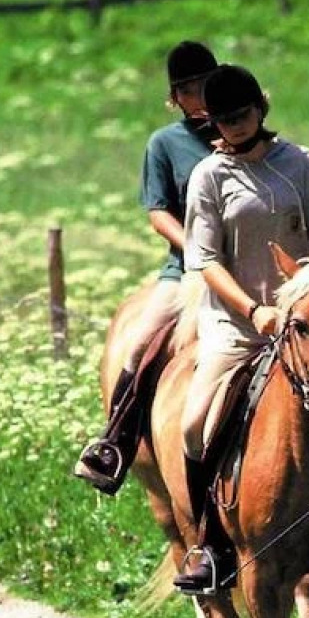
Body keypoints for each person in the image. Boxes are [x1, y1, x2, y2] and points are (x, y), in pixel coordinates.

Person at [171, 63, 309, 595]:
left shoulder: (302, 164)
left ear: (261, 109)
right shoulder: (209, 177)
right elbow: (205, 261)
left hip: (308, 323)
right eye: (224, 121)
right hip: (238, 324)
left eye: (243, 115)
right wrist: (254, 311)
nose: (236, 127)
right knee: (195, 423)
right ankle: (210, 542)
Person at [75, 40, 221, 495]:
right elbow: (158, 213)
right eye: (188, 90)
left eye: (204, 87)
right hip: (188, 272)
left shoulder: (242, 131)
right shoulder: (165, 144)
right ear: (175, 97)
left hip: (252, 271)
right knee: (140, 345)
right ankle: (114, 443)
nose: (198, 97)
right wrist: (196, 248)